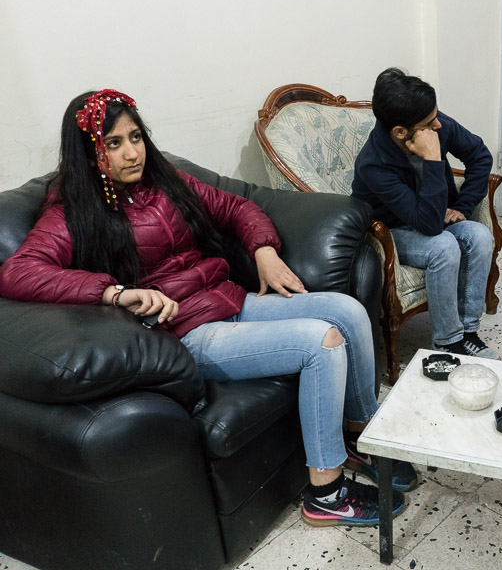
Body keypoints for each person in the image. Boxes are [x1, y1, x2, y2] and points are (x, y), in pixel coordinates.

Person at [0, 89, 418, 527]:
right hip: (186, 333)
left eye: (136, 137)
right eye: (113, 144)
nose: (131, 153)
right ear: (90, 154)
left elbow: (237, 207)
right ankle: (326, 493)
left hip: (229, 299)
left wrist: (263, 250)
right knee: (323, 344)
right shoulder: (71, 213)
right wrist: (113, 292)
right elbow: (19, 272)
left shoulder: (167, 182)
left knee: (347, 312)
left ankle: (358, 437)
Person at [351, 68, 499, 359]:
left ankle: (468, 332)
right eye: (430, 122)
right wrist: (432, 157)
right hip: (388, 231)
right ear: (400, 132)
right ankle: (446, 341)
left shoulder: (434, 124)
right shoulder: (373, 164)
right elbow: (430, 228)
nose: (438, 125)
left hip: (429, 217)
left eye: (436, 115)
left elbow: (480, 156)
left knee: (480, 235)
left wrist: (463, 206)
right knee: (443, 247)